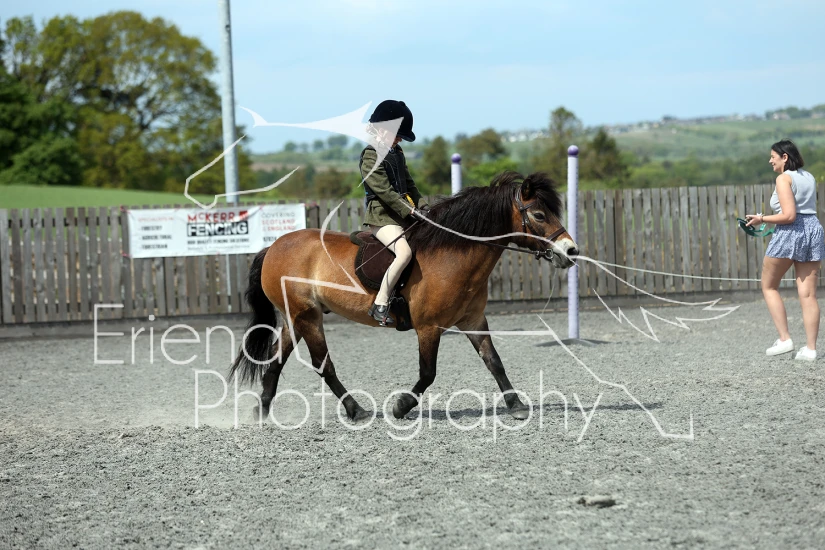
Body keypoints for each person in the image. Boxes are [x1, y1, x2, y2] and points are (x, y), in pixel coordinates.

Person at [746, 139, 823, 361]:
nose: (770, 160)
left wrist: (761, 219)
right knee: (808, 294)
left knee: (769, 286)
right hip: (813, 229)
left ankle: (784, 339)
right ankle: (810, 349)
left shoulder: (783, 178)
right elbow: (803, 211)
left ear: (784, 157)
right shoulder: (809, 177)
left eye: (773, 156)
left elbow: (789, 216)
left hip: (790, 232)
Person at [359, 100, 427, 326]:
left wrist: (424, 207)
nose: (400, 140)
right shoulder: (370, 155)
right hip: (382, 217)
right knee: (404, 253)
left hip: (403, 215)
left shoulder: (397, 152)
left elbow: (410, 184)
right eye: (398, 135)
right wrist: (410, 211)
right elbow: (385, 192)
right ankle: (380, 303)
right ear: (382, 129)